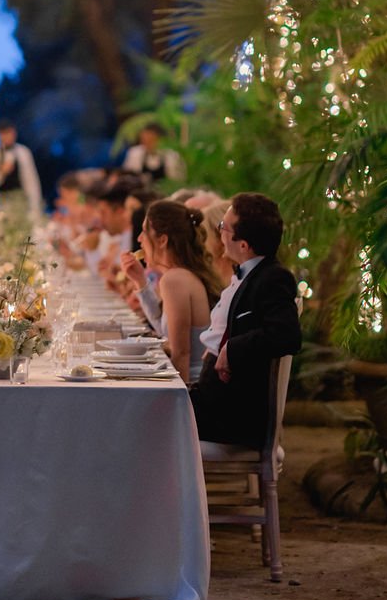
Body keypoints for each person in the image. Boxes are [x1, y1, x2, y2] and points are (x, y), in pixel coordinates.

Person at [188, 193, 302, 446]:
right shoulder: (245, 276)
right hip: (213, 398)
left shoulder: (273, 279)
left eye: (223, 228)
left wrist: (232, 347)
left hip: (231, 415)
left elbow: (287, 335)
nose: (219, 233)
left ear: (243, 245)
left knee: (148, 412)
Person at [120, 200, 220, 384]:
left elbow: (181, 353)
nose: (139, 239)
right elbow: (167, 333)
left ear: (162, 240)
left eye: (144, 231)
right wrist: (140, 281)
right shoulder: (180, 275)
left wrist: (177, 402)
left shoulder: (174, 279)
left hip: (195, 387)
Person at [0, 121, 42, 217]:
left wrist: (35, 206)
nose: (8, 137)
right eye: (4, 134)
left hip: (21, 204)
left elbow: (31, 180)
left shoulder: (23, 153)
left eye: (10, 133)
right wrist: (1, 173)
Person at [122, 122, 186, 190]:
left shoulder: (172, 156)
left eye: (150, 140)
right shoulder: (134, 153)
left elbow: (178, 182)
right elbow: (128, 177)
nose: (146, 143)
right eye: (143, 140)